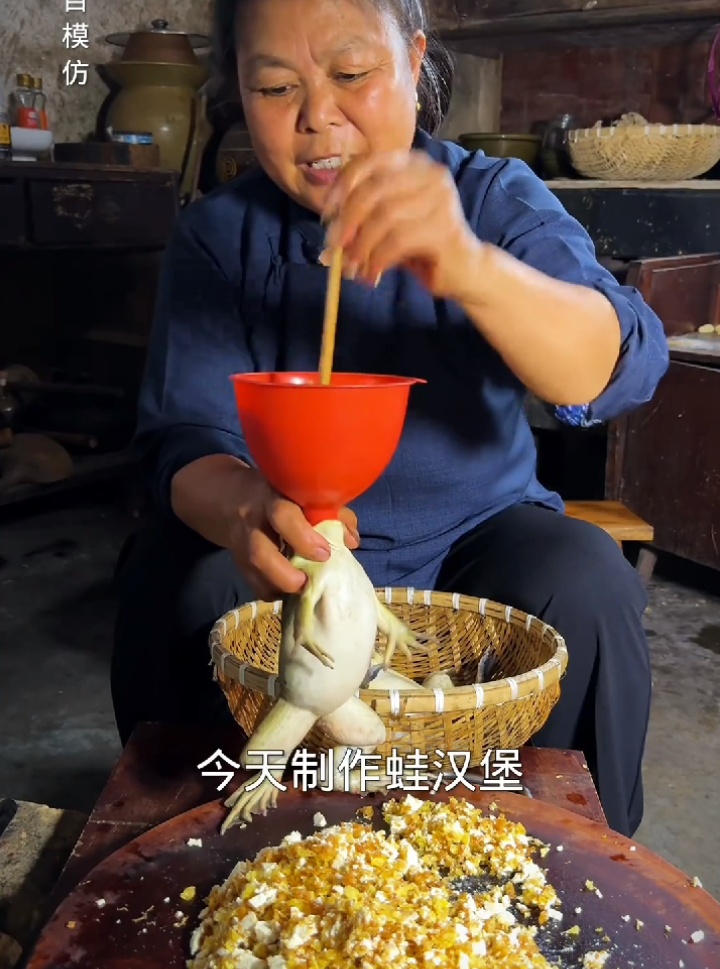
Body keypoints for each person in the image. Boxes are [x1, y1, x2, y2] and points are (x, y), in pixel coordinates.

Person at [111, 0, 669, 838]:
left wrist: (471, 267)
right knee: (178, 574)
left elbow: (617, 363)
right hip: (301, 549)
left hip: (481, 534)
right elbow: (181, 445)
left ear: (413, 60)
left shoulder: (489, 199)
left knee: (585, 579)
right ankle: (202, 855)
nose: (317, 119)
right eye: (273, 86)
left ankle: (568, 862)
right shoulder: (220, 237)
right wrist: (247, 512)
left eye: (351, 74)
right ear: (236, 89)